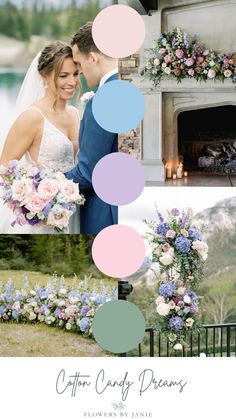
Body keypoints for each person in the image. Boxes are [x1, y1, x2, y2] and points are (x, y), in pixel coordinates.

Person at [0, 41, 81, 234]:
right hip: (42, 219)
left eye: (76, 74)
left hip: (74, 211)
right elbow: (4, 168)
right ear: (44, 77)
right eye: (63, 76)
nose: (72, 82)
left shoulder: (76, 113)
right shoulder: (32, 117)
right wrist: (32, 199)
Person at [65, 22, 119, 234]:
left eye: (78, 63)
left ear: (93, 58)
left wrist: (43, 184)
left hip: (104, 212)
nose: (79, 72)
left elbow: (88, 174)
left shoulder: (103, 100)